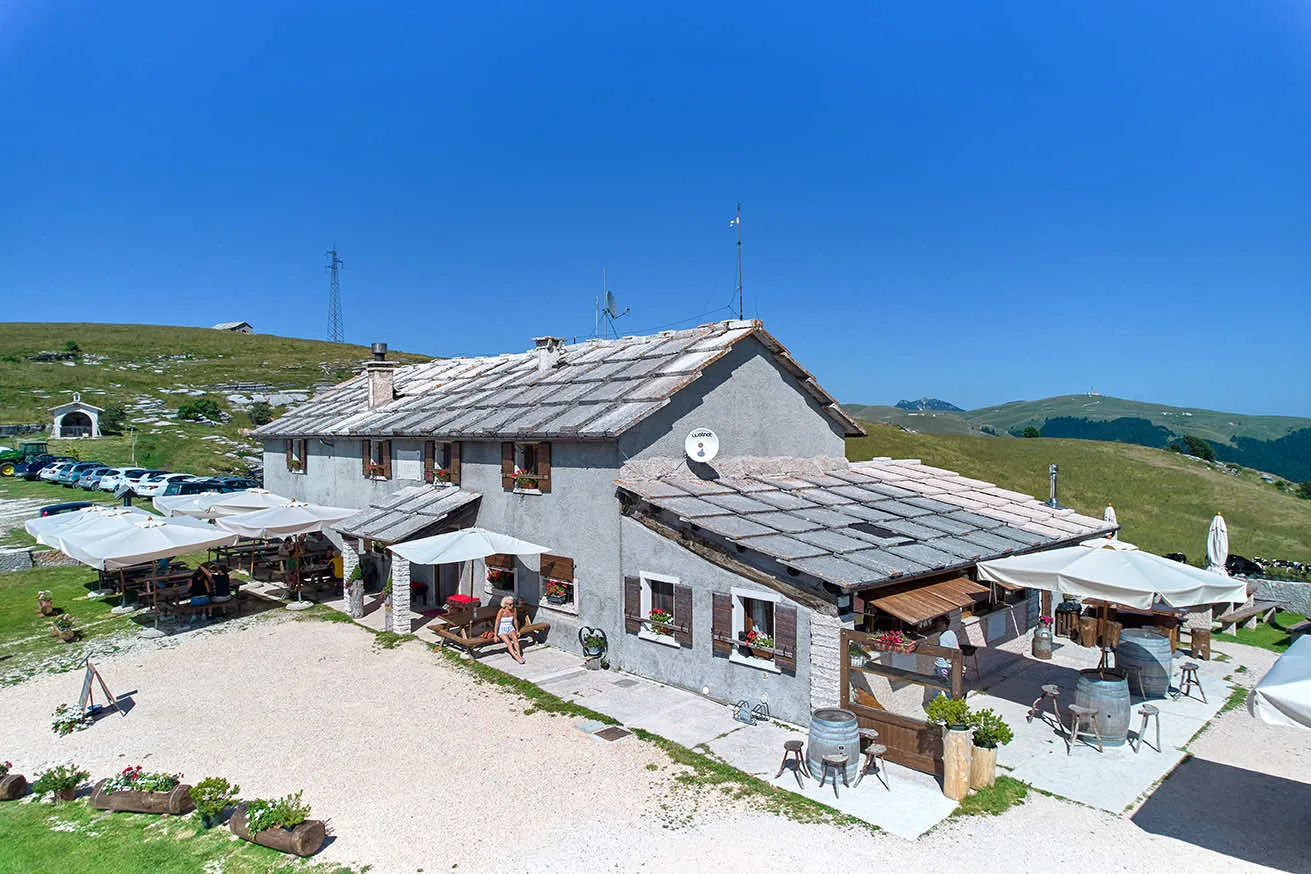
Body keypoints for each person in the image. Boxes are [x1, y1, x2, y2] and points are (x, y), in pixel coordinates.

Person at [495, 595, 525, 664]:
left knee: (515, 639)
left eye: (513, 604)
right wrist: (495, 635)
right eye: (510, 604)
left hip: (510, 627)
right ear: (505, 604)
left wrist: (517, 631)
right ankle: (516, 657)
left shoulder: (514, 610)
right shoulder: (501, 611)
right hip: (502, 629)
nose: (512, 606)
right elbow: (497, 623)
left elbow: (515, 620)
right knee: (509, 643)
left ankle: (519, 655)